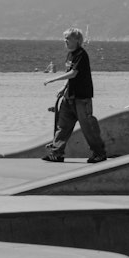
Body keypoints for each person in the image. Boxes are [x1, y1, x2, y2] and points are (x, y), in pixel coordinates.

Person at [42, 29, 107, 163]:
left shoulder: (81, 55)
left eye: (68, 38)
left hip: (81, 97)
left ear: (77, 40)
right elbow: (69, 75)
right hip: (69, 96)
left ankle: (99, 153)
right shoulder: (70, 55)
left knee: (87, 127)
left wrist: (53, 79)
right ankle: (57, 153)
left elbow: (73, 73)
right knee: (63, 126)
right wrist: (63, 87)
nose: (65, 41)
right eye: (64, 38)